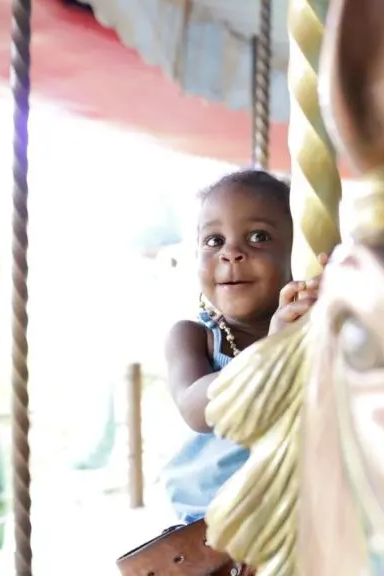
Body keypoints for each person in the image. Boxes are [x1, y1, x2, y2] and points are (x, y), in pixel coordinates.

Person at [116, 169, 325, 576]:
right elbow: (197, 407)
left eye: (259, 237)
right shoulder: (194, 338)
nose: (231, 253)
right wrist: (270, 353)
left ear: (296, 253)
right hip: (214, 543)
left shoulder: (316, 337)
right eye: (214, 241)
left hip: (295, 531)